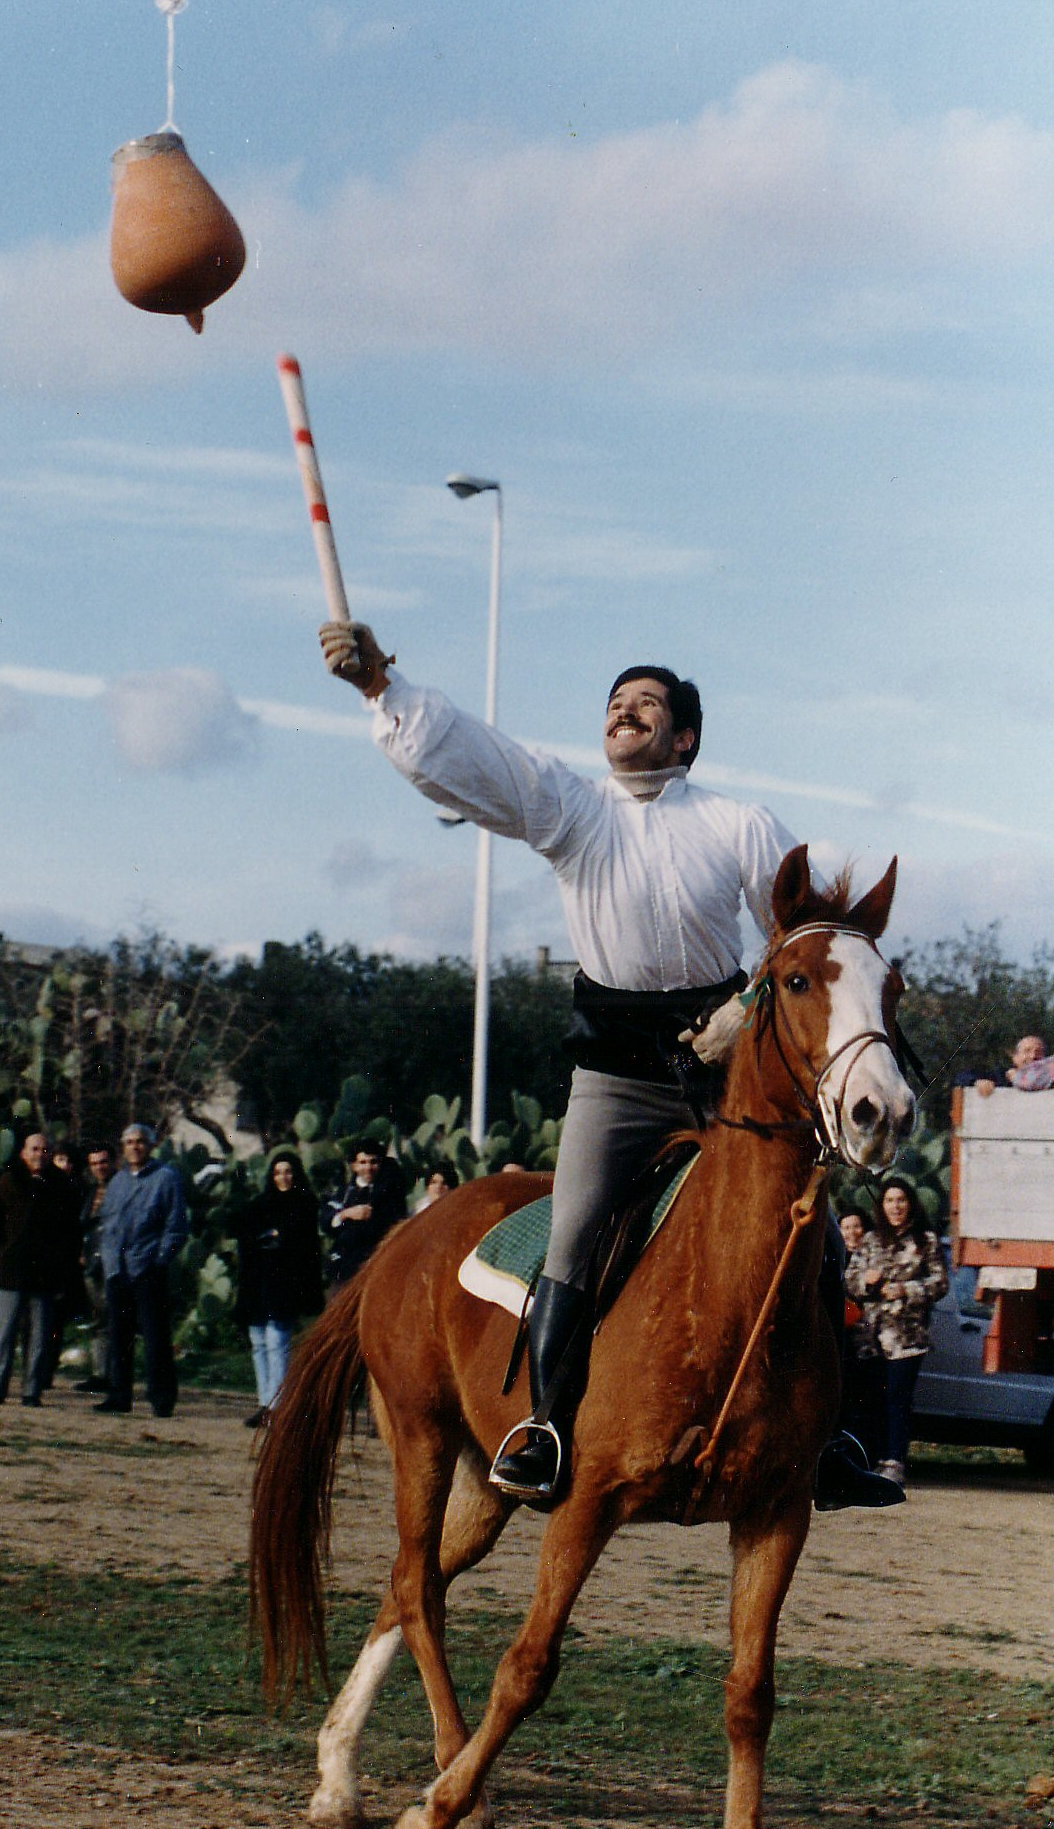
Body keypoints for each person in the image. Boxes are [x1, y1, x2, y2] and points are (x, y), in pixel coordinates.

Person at [317, 615, 903, 1514]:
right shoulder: (572, 808)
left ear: (685, 737)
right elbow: (477, 759)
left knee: (807, 1229)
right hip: (617, 1076)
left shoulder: (741, 824)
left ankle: (833, 1441)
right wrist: (381, 688)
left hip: (720, 1073)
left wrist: (746, 1013)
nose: (625, 711)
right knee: (579, 1227)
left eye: (647, 703)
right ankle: (545, 1429)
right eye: (615, 702)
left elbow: (799, 936)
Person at [844, 1178, 949, 1487]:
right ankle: (868, 1459)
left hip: (906, 1337)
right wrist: (866, 1281)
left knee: (897, 1399)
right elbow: (850, 1280)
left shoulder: (925, 1241)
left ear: (911, 1203)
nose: (895, 1206)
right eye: (889, 1200)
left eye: (901, 1200)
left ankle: (894, 1461)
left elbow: (940, 1283)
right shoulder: (871, 1240)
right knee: (870, 1399)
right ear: (882, 1206)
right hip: (869, 1337)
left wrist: (906, 1289)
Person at [0, 1129, 83, 1406]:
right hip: (12, 1268)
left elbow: (71, 1230)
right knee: (4, 1332)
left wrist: (63, 1263)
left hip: (46, 1272)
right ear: (24, 1153)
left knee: (39, 1335)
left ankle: (32, 1391)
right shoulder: (9, 1180)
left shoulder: (62, 1185)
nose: (40, 1154)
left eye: (45, 1150)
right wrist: (1, 1252)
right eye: (34, 1149)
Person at [95, 1124, 190, 1419]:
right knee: (119, 1336)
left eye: (140, 1142)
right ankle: (118, 1395)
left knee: (155, 1337)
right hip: (118, 1269)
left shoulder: (166, 1178)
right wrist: (109, 1261)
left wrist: (160, 1260)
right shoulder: (118, 1181)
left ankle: (161, 1398)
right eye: (129, 1142)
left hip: (148, 1267)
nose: (134, 1147)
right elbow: (107, 1224)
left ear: (150, 1145)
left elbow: (176, 1226)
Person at [232, 1151, 325, 1427]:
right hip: (257, 1282)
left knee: (277, 1342)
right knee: (259, 1343)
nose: (282, 1177)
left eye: (288, 1172)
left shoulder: (305, 1203)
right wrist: (271, 1237)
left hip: (285, 1284)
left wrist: (275, 1238)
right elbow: (248, 1237)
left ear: (296, 1174)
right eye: (277, 1172)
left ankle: (279, 1407)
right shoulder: (260, 1204)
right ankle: (265, 1403)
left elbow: (300, 1244)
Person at [835, 1208, 887, 1467]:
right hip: (841, 1342)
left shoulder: (874, 1256)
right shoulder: (833, 1258)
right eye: (845, 1227)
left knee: (866, 1404)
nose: (852, 1233)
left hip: (868, 1343)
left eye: (857, 1227)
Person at [323, 1141, 407, 1287]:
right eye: (362, 1162)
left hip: (375, 1267)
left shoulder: (389, 1193)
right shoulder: (343, 1192)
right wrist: (346, 1214)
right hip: (343, 1267)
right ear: (354, 1166)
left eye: (373, 1162)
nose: (368, 1168)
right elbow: (327, 1222)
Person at [74, 1143, 117, 1392]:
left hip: (112, 1262)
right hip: (91, 1263)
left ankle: (113, 1374)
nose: (99, 1167)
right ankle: (100, 1373)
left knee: (113, 1318)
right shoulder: (91, 1192)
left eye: (103, 1162)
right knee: (98, 1318)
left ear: (112, 1162)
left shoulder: (120, 1189)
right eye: (94, 1163)